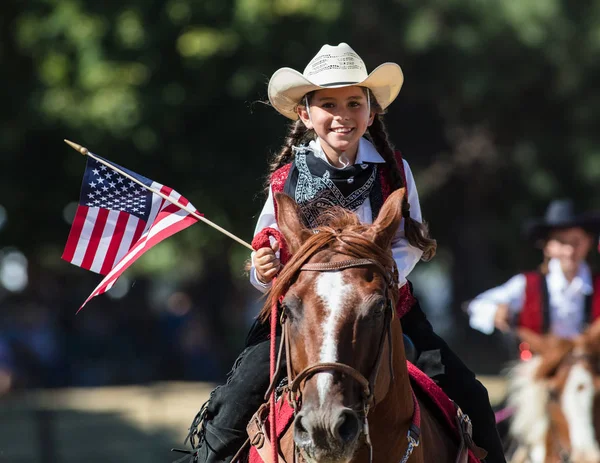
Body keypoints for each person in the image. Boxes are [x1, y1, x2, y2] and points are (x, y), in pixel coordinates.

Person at [184, 43, 505, 463]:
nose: (342, 115)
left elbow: (406, 242)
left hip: (384, 305)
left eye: (354, 103)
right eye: (327, 104)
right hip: (304, 313)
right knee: (233, 401)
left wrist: (373, 278)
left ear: (371, 113)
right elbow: (267, 248)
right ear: (305, 114)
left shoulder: (393, 168)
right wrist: (264, 270)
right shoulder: (286, 178)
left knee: (473, 396)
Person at [468, 199, 600, 339]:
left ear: (589, 242)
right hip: (540, 359)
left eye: (576, 242)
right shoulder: (527, 284)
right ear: (547, 247)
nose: (569, 250)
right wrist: (496, 311)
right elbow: (477, 305)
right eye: (561, 242)